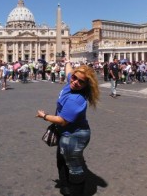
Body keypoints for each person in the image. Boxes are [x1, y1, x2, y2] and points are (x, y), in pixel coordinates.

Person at [36, 61, 100, 196]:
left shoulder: (76, 99)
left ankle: (76, 192)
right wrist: (67, 62)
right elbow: (68, 71)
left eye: (80, 81)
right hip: (65, 133)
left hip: (73, 136)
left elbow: (62, 120)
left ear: (85, 85)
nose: (75, 81)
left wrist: (44, 116)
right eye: (74, 77)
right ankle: (66, 187)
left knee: (74, 167)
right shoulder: (71, 82)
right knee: (62, 159)